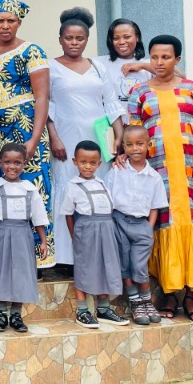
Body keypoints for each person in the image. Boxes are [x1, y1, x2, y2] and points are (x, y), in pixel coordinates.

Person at [129, 34, 193, 321]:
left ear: (177, 59)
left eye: (166, 57)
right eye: (155, 57)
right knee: (164, 224)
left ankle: (192, 297)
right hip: (157, 171)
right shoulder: (139, 92)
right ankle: (170, 295)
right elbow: (134, 136)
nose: (160, 62)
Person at [0, 0, 53, 268]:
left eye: (11, 20)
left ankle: (37, 257)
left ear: (19, 22)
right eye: (0, 20)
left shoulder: (32, 51)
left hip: (25, 127)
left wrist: (34, 137)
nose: (5, 25)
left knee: (32, 188)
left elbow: (42, 97)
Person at [47, 7, 124, 268]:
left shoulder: (98, 67)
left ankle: (97, 253)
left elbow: (112, 104)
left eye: (79, 38)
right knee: (67, 189)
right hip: (65, 140)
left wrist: (119, 138)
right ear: (60, 38)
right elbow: (46, 106)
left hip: (98, 141)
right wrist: (54, 138)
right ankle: (66, 258)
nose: (74, 43)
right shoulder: (50, 67)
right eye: (69, 38)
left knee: (97, 191)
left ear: (86, 40)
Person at [0, 143, 50, 334]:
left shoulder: (29, 189)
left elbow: (38, 217)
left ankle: (16, 314)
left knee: (21, 272)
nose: (12, 167)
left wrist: (43, 241)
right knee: (1, 270)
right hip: (1, 233)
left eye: (17, 163)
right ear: (0, 163)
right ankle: (1, 314)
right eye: (8, 162)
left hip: (23, 234)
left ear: (24, 164)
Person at [60, 140, 129, 329]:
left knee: (105, 267)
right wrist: (75, 236)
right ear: (75, 162)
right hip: (86, 229)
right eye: (83, 162)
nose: (87, 166)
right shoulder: (73, 185)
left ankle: (104, 308)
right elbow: (68, 215)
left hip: (107, 228)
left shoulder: (102, 183)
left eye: (92, 163)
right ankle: (82, 310)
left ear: (99, 164)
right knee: (85, 267)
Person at [104, 125, 167, 326]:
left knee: (139, 265)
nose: (135, 149)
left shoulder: (154, 177)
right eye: (129, 145)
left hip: (141, 224)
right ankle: (135, 302)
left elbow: (156, 206)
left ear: (149, 145)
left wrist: (149, 227)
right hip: (119, 220)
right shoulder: (117, 170)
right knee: (125, 263)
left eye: (140, 144)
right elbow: (107, 196)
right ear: (123, 147)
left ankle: (147, 300)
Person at [94, 18, 154, 104]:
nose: (121, 42)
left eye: (127, 37)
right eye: (116, 38)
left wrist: (143, 66)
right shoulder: (99, 63)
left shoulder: (148, 64)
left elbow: (178, 75)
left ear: (137, 37)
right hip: (112, 117)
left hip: (141, 117)